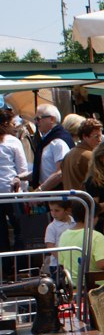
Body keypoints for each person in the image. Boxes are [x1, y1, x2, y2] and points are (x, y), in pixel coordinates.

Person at [57, 201, 104, 286]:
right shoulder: (96, 236)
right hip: (94, 286)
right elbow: (102, 265)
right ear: (92, 217)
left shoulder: (63, 235)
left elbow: (62, 263)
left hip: (70, 286)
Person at [0, 108, 28, 264]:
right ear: (5, 124)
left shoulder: (13, 141)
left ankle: (4, 269)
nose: (14, 125)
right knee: (20, 230)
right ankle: (20, 266)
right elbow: (23, 170)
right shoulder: (14, 142)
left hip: (7, 194)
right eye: (12, 122)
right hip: (13, 194)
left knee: (2, 233)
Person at [30, 104, 73, 191]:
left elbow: (60, 172)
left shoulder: (58, 141)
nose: (36, 122)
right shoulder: (47, 140)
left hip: (57, 195)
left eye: (38, 119)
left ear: (52, 119)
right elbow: (42, 169)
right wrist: (19, 177)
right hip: (49, 194)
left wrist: (40, 190)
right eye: (35, 119)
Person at [61, 118, 102, 192]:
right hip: (85, 200)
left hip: (71, 199)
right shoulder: (90, 156)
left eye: (100, 136)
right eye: (96, 137)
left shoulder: (68, 154)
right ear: (84, 136)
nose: (99, 140)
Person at [43, 200, 77, 275]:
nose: (53, 213)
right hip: (57, 265)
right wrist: (62, 260)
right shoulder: (51, 227)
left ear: (67, 211)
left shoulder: (75, 222)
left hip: (74, 262)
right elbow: (50, 246)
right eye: (51, 210)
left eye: (57, 210)